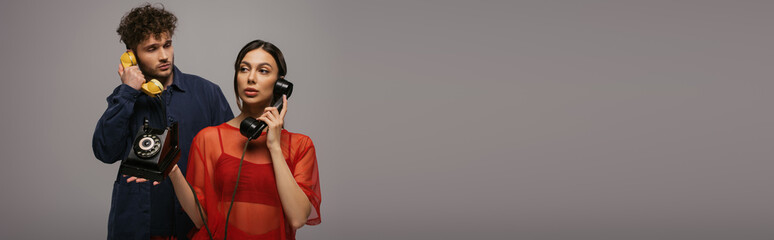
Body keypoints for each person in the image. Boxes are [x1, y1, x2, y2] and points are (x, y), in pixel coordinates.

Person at [92, 4, 234, 239]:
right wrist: (128, 93)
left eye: (167, 45)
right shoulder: (125, 98)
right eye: (152, 48)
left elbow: (231, 160)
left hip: (193, 225)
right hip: (137, 226)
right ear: (132, 55)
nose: (164, 56)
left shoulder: (206, 92)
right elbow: (105, 152)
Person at [167, 40, 321, 240]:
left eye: (263, 71)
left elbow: (298, 218)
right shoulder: (209, 138)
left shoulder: (301, 145)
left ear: (281, 84)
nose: (251, 78)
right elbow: (200, 219)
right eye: (244, 69)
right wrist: (173, 171)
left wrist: (274, 146)